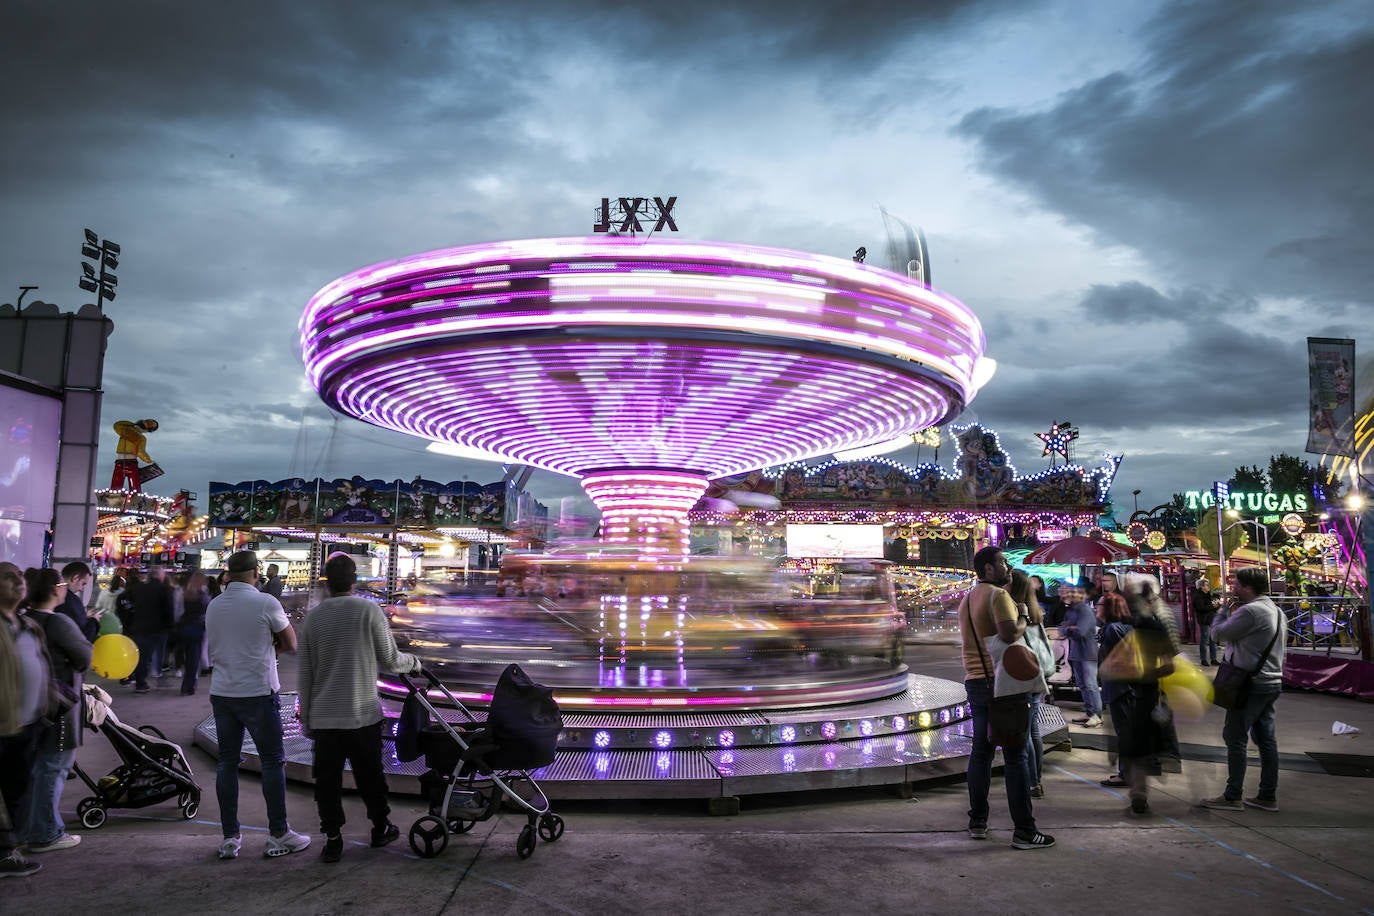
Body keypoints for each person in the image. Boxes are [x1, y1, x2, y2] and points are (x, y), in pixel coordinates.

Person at [298, 553, 421, 862]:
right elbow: (392, 660)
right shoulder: (369, 611)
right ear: (355, 581)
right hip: (362, 714)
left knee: (327, 781)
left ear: (326, 583)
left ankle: (333, 838)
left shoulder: (313, 618)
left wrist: (307, 717)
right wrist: (415, 663)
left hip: (326, 718)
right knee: (370, 776)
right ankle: (380, 827)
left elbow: (305, 673)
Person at [206, 550, 311, 859]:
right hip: (258, 693)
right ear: (256, 572)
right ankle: (278, 833)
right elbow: (290, 643)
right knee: (272, 761)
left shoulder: (214, 605)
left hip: (223, 693)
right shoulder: (265, 602)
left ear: (227, 574)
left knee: (227, 762)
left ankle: (229, 838)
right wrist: (267, 648)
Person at [958, 546, 1054, 850]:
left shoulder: (967, 598)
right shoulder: (998, 596)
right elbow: (1010, 634)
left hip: (975, 681)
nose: (1007, 565)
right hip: (1002, 685)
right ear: (988, 569)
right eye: (1002, 562)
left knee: (981, 754)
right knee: (1016, 757)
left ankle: (978, 821)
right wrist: (1024, 614)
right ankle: (1025, 831)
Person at [19, 567, 92, 853]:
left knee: (34, 770)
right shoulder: (58, 623)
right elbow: (84, 657)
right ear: (54, 589)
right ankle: (46, 832)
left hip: (29, 706)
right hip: (57, 706)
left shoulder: (21, 621)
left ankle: (25, 829)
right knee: (53, 769)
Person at [1202, 567, 1286, 812]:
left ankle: (1232, 795)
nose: (1233, 588)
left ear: (1248, 587)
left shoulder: (1251, 611)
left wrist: (1221, 610)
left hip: (1250, 684)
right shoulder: (1276, 610)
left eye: (1236, 584)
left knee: (1235, 736)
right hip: (1271, 681)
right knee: (1266, 740)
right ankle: (1267, 795)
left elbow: (1217, 634)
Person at [1115, 574, 1180, 816]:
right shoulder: (1153, 625)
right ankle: (1139, 791)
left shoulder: (1128, 627)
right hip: (1147, 693)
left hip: (1137, 694)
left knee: (1133, 747)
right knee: (1139, 747)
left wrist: (1139, 672)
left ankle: (1138, 792)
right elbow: (1170, 664)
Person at [0, 562, 48, 878]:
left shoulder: (29, 625)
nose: (19, 580)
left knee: (16, 792)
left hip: (28, 724)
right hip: (4, 725)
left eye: (20, 576)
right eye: (8, 576)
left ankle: (7, 853)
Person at [1007, 570, 1048, 799]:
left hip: (1024, 676)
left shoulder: (1019, 612)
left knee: (1026, 733)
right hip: (1037, 675)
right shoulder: (1036, 611)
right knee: (1034, 732)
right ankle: (1036, 781)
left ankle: (1031, 781)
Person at [1096, 590, 1135, 790]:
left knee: (1125, 734)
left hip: (1121, 688)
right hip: (1128, 688)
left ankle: (1126, 774)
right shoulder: (1125, 627)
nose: (1096, 607)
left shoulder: (1112, 630)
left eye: (1101, 604)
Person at [1059, 580, 1102, 727]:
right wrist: (1070, 629)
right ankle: (1090, 713)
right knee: (1083, 685)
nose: (1070, 594)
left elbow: (1081, 631)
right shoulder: (1071, 610)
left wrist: (1069, 629)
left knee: (1090, 685)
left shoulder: (1085, 610)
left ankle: (1097, 715)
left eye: (1074, 592)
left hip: (1087, 654)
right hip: (1076, 653)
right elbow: (1062, 629)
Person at [128, 568, 174, 693]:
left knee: (140, 655)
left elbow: (131, 605)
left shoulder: (138, 588)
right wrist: (170, 625)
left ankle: (138, 680)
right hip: (156, 628)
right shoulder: (164, 589)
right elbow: (168, 609)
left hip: (138, 626)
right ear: (160, 576)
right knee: (151, 655)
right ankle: (144, 682)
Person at [175, 571, 210, 695]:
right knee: (193, 658)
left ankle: (185, 681)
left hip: (183, 627)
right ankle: (189, 685)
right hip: (197, 628)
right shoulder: (203, 595)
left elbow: (178, 612)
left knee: (183, 655)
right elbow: (207, 612)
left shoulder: (183, 593)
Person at [56, 562, 98, 642]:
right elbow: (83, 637)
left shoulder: (50, 595)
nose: (81, 589)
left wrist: (83, 616)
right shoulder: (71, 601)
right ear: (75, 578)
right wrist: (94, 620)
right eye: (83, 584)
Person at [1193, 579, 1218, 666]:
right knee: (1204, 641)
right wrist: (1212, 606)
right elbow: (1201, 608)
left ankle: (1213, 659)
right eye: (1207, 585)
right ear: (1202, 587)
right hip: (1204, 621)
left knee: (1213, 640)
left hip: (1211, 620)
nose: (1208, 587)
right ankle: (1203, 659)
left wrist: (1216, 605)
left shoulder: (1207, 595)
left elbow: (1211, 607)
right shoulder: (1198, 596)